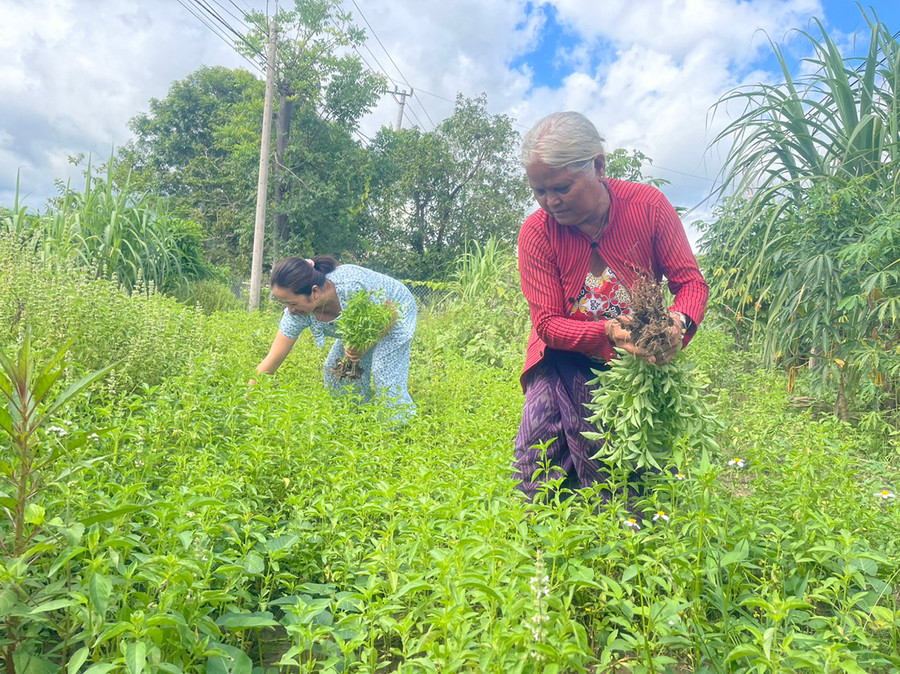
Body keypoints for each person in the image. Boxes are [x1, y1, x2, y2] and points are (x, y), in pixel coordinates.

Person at [514, 111, 708, 500]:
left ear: (598, 165)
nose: (550, 202)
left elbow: (690, 283)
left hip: (636, 360)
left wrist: (676, 322)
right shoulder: (537, 232)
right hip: (562, 353)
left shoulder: (647, 206)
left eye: (562, 187)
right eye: (539, 191)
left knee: (629, 462)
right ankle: (546, 545)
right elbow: (549, 324)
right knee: (539, 455)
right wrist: (607, 331)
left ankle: (631, 537)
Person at [255, 256, 417, 421]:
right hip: (363, 322)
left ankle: (400, 427)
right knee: (336, 370)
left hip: (395, 310)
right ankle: (353, 418)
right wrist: (244, 398)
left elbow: (389, 314)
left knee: (383, 371)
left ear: (315, 292)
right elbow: (272, 361)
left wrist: (364, 346)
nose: (290, 310)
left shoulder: (351, 285)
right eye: (285, 304)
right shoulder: (296, 314)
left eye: (293, 303)